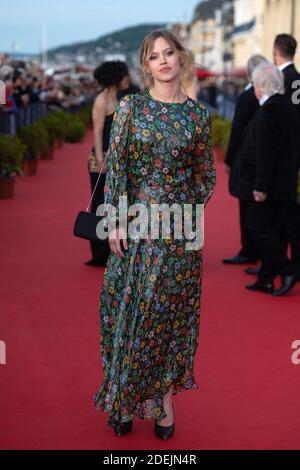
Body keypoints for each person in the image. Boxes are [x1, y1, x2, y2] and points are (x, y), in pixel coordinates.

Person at [93, 29, 216, 439]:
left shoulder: (198, 116)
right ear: (146, 66)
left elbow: (206, 177)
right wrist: (114, 220)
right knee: (126, 313)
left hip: (180, 234)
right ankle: (123, 399)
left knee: (167, 320)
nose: (162, 61)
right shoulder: (132, 109)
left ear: (181, 58)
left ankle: (163, 403)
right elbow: (118, 167)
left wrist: (183, 210)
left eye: (169, 53)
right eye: (153, 56)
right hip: (136, 229)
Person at [230, 63, 299, 296]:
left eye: (257, 85)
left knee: (256, 224)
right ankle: (266, 278)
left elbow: (266, 152)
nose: (255, 90)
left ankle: (285, 268)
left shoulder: (270, 109)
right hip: (283, 183)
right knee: (273, 228)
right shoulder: (286, 105)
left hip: (270, 185)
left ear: (262, 86)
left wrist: (259, 187)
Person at [223, 54, 269, 267]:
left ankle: (249, 249)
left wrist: (229, 159)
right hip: (264, 158)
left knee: (246, 203)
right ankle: (258, 248)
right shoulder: (271, 95)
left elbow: (237, 129)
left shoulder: (247, 96)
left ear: (250, 73)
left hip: (246, 158)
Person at [85, 61, 128, 267]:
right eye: (123, 75)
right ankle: (99, 251)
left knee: (112, 204)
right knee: (99, 203)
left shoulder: (116, 97)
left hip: (115, 159)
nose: (126, 79)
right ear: (115, 77)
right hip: (101, 159)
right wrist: (101, 159)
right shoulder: (101, 100)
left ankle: (111, 247)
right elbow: (97, 131)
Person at [273, 34, 300, 281]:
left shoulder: (281, 80)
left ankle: (287, 264)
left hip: (285, 157)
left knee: (285, 212)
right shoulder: (298, 80)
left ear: (276, 51)